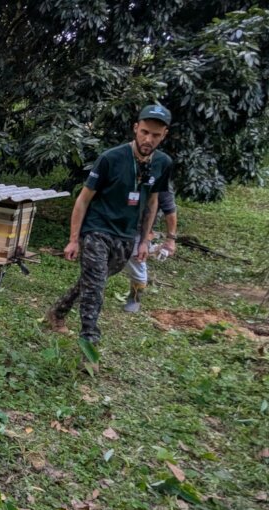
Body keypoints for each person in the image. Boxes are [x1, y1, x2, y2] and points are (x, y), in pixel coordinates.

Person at [45, 104, 174, 349]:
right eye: (145, 132)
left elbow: (153, 202)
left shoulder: (163, 163)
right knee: (95, 289)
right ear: (136, 128)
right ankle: (89, 345)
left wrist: (145, 240)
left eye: (156, 135)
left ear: (164, 135)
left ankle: (57, 312)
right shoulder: (111, 158)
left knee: (95, 279)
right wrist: (74, 239)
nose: (148, 139)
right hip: (97, 230)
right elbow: (83, 200)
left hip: (126, 235)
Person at [124, 184, 179, 312]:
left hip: (140, 229)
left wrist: (171, 239)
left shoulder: (160, 181)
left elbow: (170, 211)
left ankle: (135, 298)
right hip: (113, 224)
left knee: (137, 261)